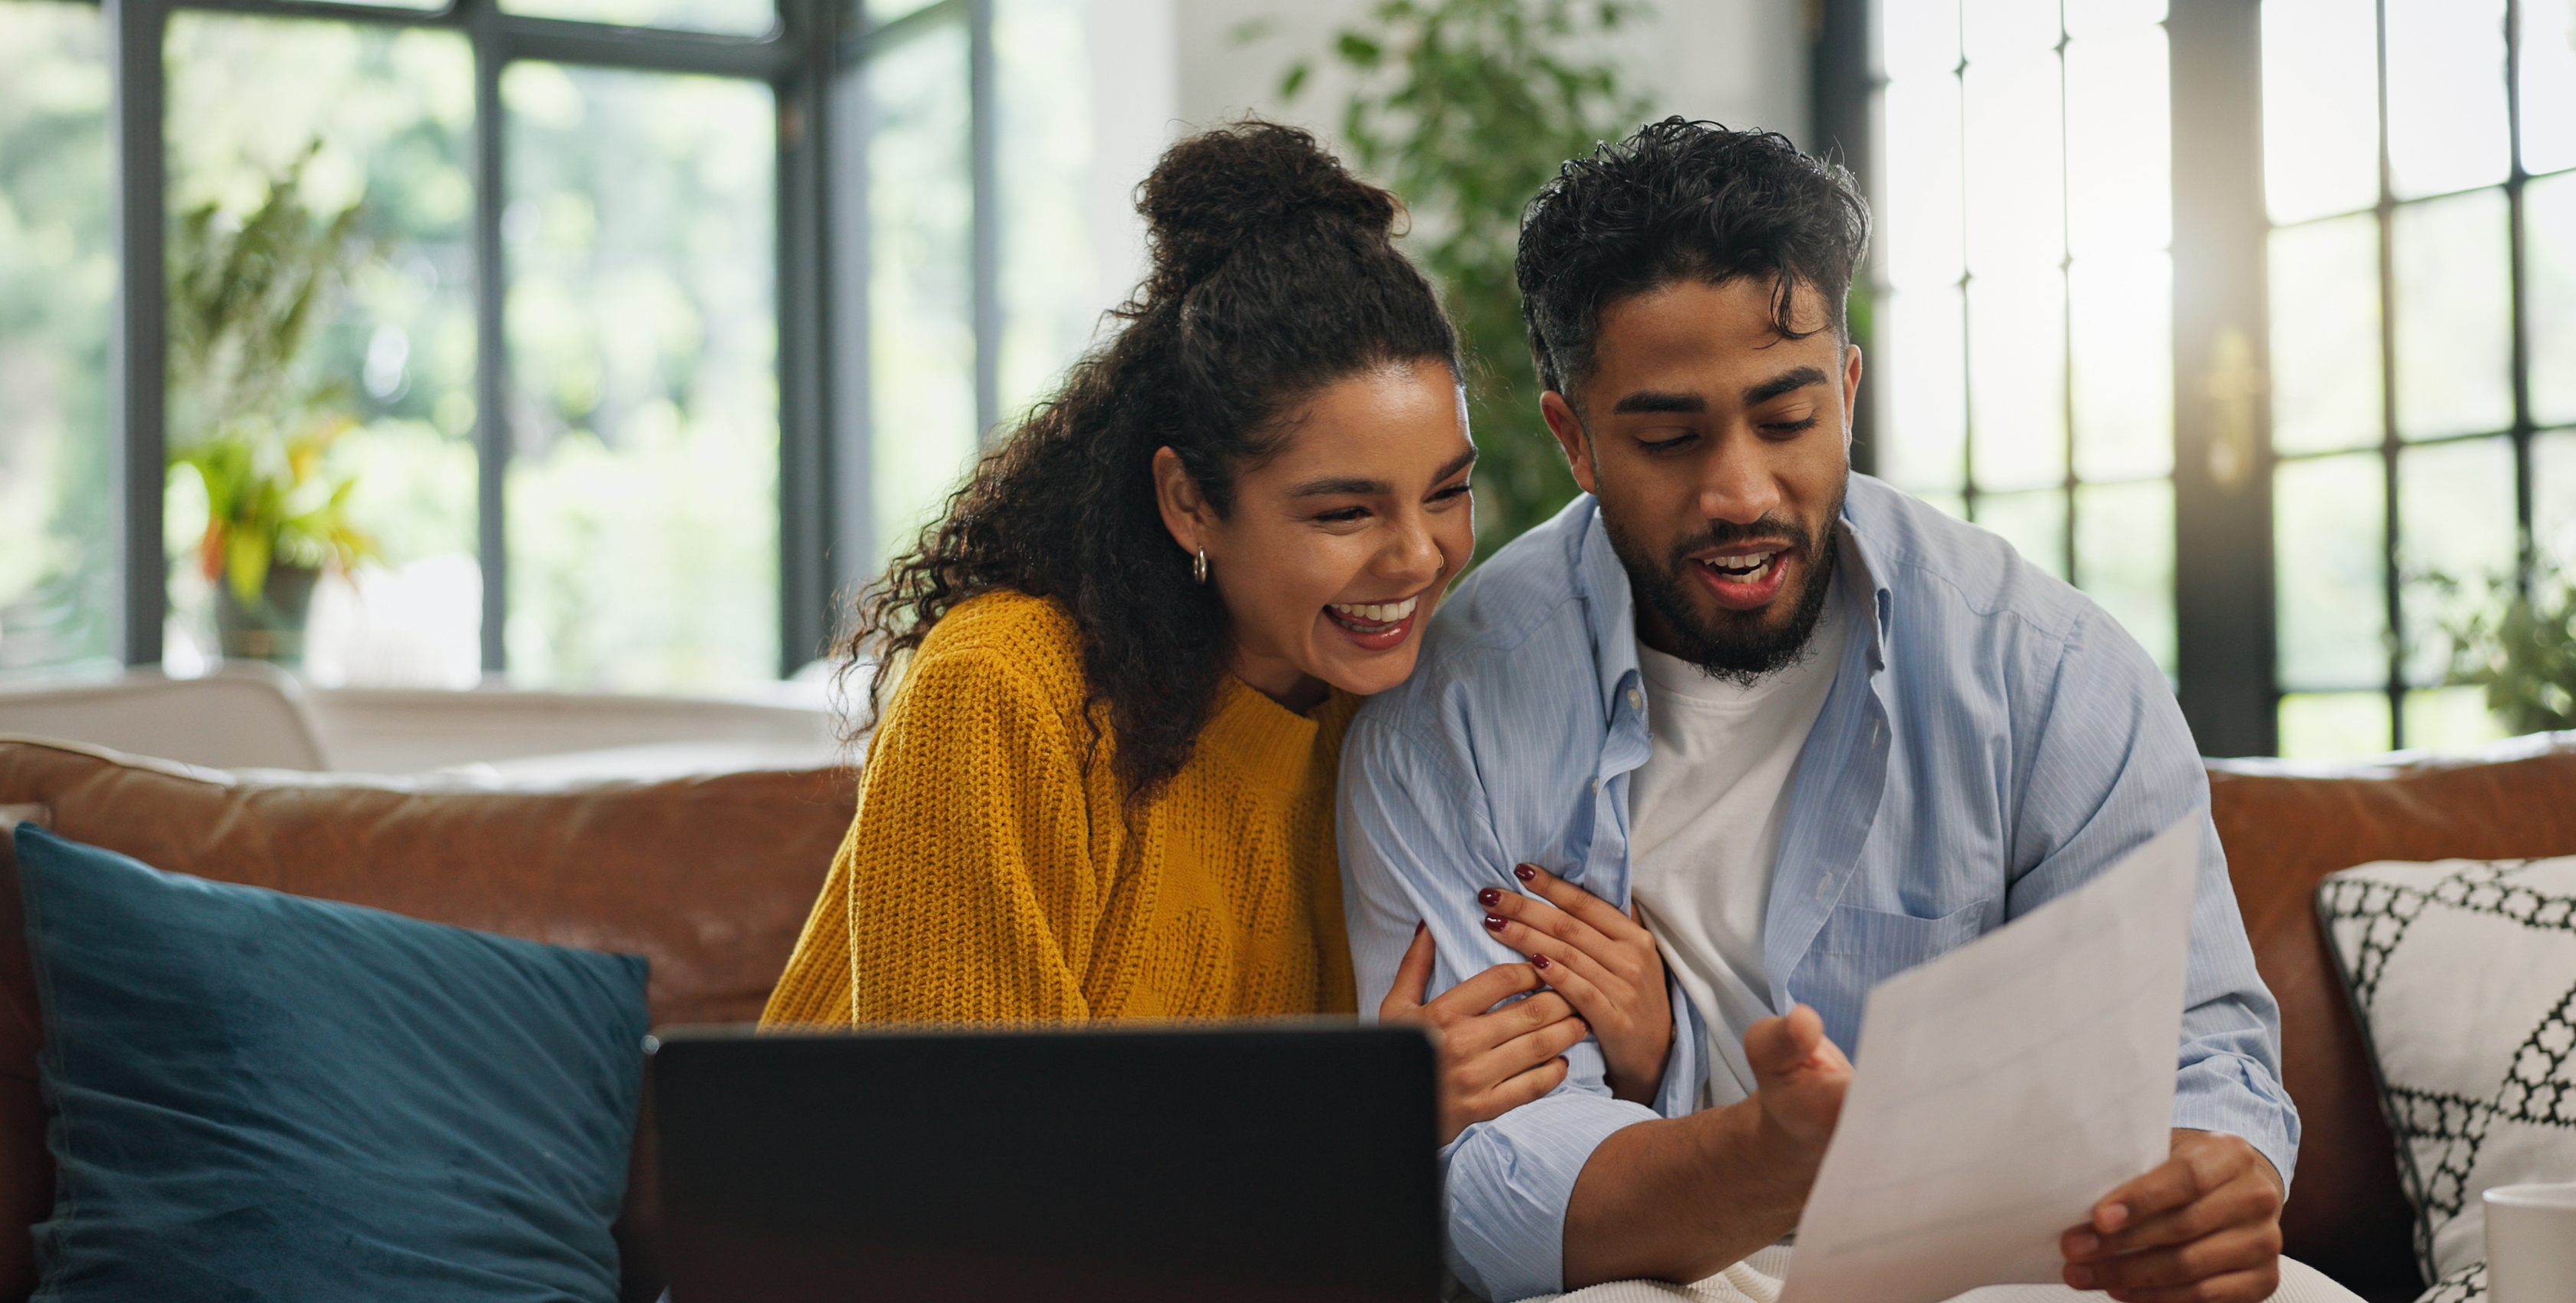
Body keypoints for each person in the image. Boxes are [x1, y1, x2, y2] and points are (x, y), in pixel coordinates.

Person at [1338, 118, 2307, 1301]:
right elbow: (1484, 1178)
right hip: (1659, 1275)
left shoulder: (2048, 670)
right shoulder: (1450, 713)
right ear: (1574, 439)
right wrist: (1771, 1159)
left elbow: (2199, 1045)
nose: (1740, 490)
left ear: (1846, 389)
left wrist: (2214, 1174)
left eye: (1787, 421)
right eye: (1667, 437)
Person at [761, 121, 1671, 1143]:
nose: (1418, 557)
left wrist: (1637, 1057)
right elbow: (969, 1169)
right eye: (1344, 512)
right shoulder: (1001, 692)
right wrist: (1354, 1123)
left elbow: (1505, 1126)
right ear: (1190, 502)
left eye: (1447, 492)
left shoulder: (1401, 706)